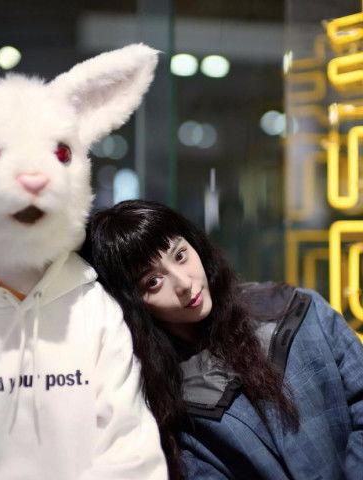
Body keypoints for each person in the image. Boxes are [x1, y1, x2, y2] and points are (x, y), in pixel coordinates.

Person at [84, 199, 363, 480]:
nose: (184, 283)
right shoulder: (169, 403)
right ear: (133, 304)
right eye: (153, 282)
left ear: (195, 245)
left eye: (180, 255)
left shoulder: (296, 310)